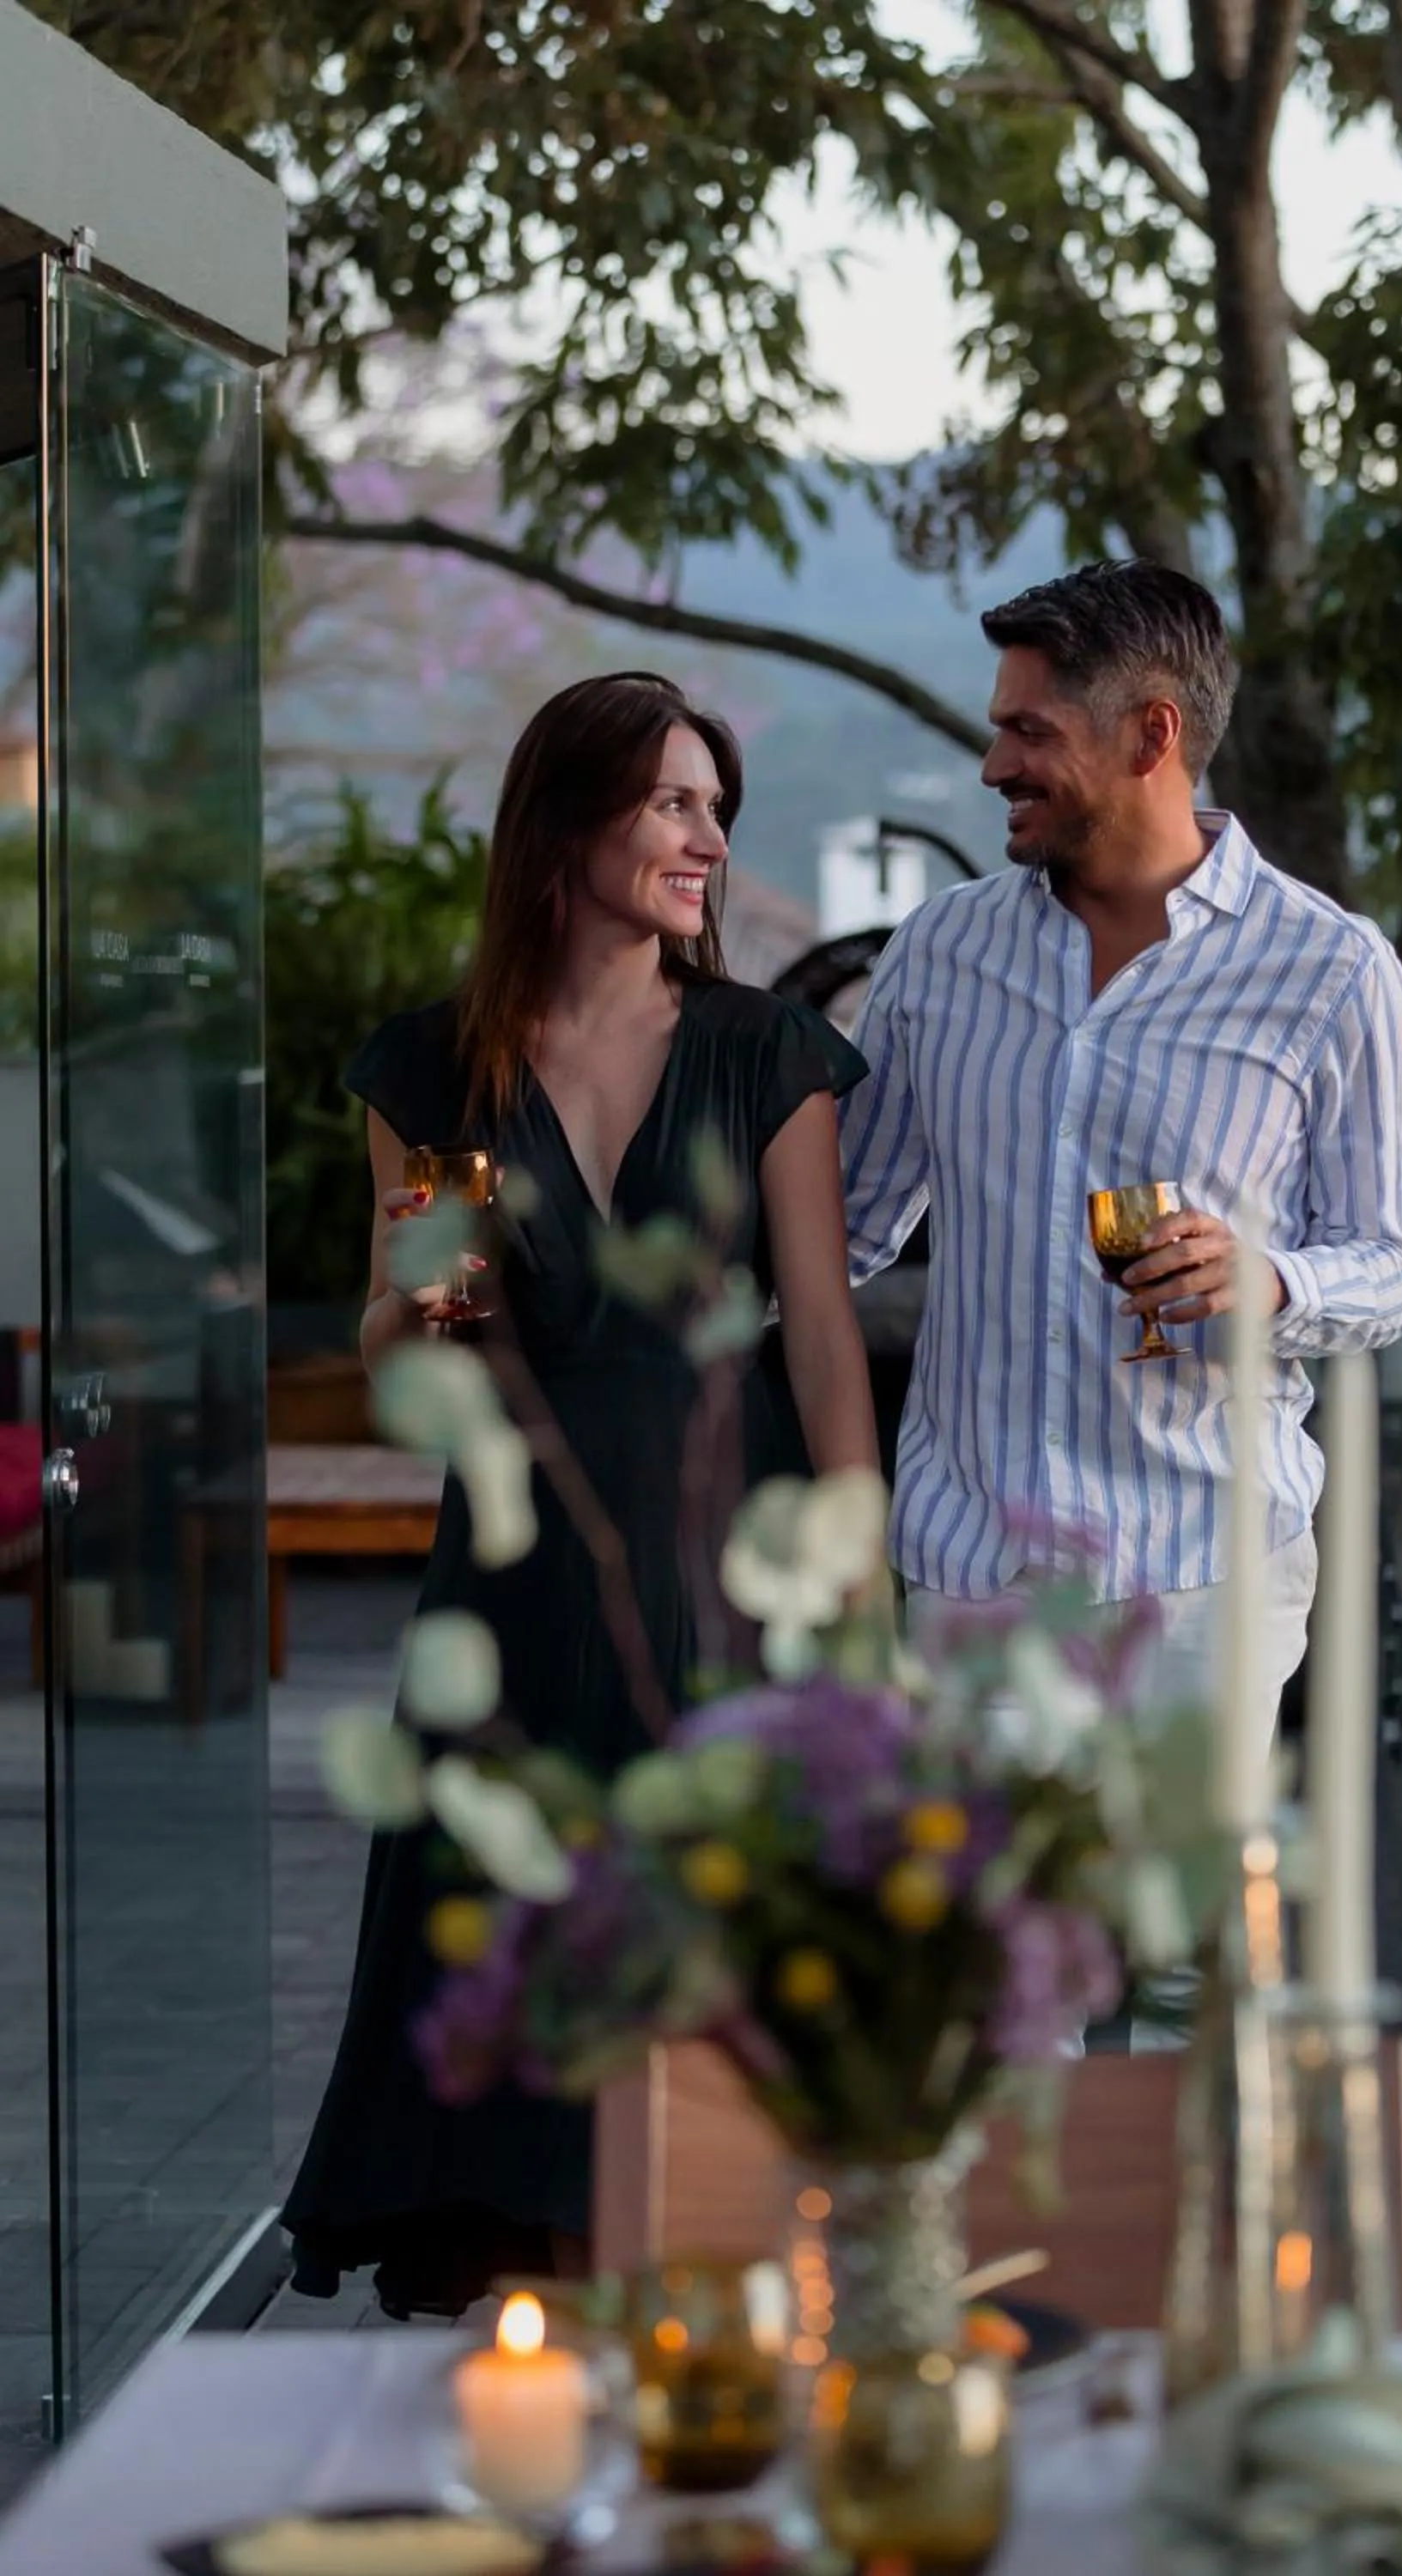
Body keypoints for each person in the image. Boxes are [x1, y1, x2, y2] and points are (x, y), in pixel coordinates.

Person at [284, 672, 879, 2318]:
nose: (709, 838)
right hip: (520, 1569)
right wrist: (429, 1293)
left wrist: (862, 1573)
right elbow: (401, 1356)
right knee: (533, 1956)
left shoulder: (772, 1051)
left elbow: (823, 1338)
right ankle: (589, 2364)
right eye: (674, 804)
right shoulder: (429, 1068)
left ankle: (694, 2340)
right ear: (568, 821)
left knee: (707, 1956)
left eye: (715, 806)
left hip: (723, 1553)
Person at [840, 559, 1402, 1739]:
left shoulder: (1334, 971)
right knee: (979, 1928)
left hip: (1207, 1581)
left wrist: (1272, 1281)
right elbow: (838, 1229)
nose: (995, 764)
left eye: (1028, 731)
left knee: (1178, 1934)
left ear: (1151, 734)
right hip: (973, 1578)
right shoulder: (937, 955)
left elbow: (1391, 1265)